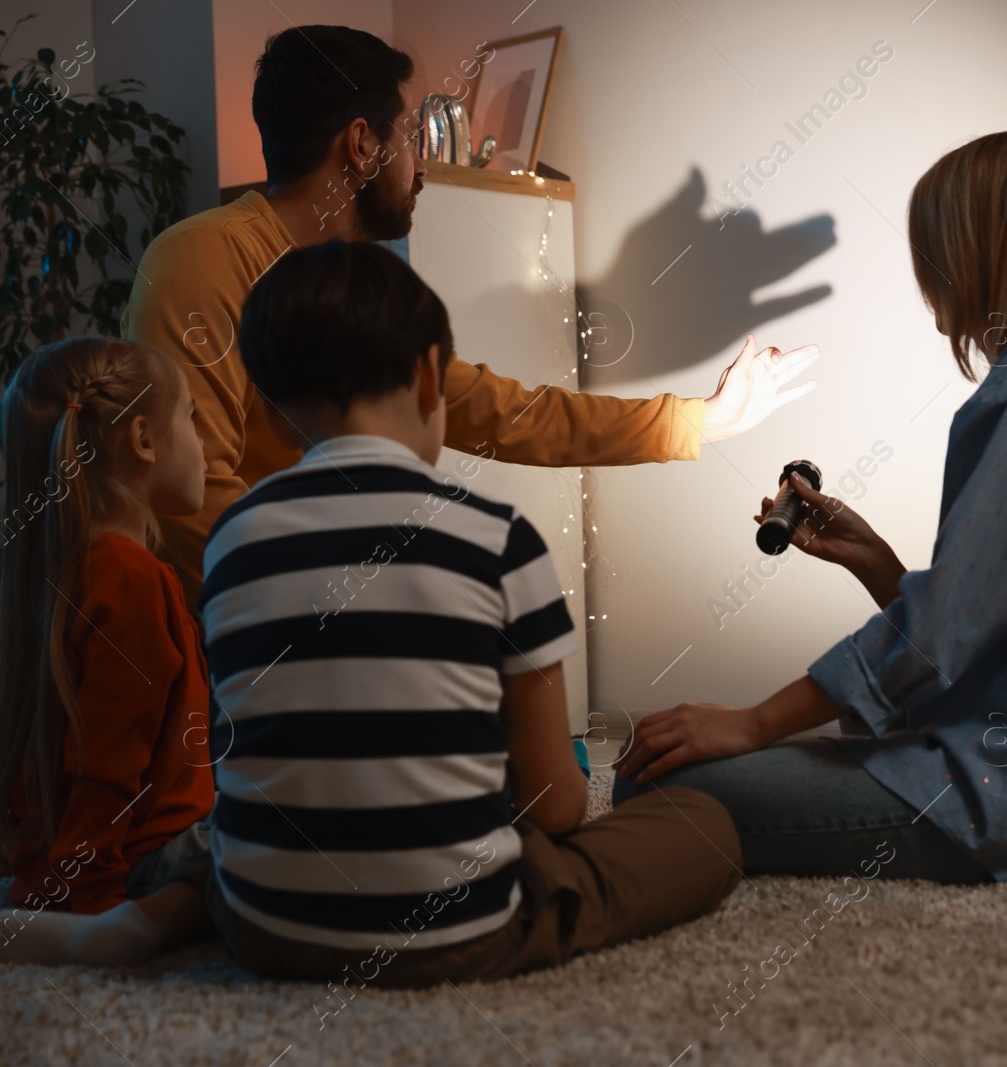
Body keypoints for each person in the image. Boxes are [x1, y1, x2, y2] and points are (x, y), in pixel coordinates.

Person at [614, 130, 1007, 884]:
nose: (923, 275)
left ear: (969, 254)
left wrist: (749, 722)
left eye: (930, 250)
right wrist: (875, 561)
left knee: (651, 781)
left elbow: (952, 626)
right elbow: (994, 615)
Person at [195, 240, 739, 986]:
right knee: (704, 825)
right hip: (460, 930)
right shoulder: (496, 537)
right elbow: (553, 803)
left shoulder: (229, 540)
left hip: (262, 929)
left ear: (269, 406)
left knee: (200, 842)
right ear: (429, 375)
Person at [124, 24, 819, 606]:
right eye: (409, 139)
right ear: (361, 144)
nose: (421, 168)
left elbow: (506, 414)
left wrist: (699, 420)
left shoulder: (360, 294)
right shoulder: (201, 261)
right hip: (245, 675)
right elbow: (188, 505)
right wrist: (357, 611)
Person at [0, 338, 216, 965]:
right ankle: (122, 930)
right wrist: (87, 897)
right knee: (273, 836)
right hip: (140, 864)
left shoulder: (64, 570)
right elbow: (108, 761)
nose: (203, 445)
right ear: (144, 440)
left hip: (83, 855)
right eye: (192, 421)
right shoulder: (129, 575)